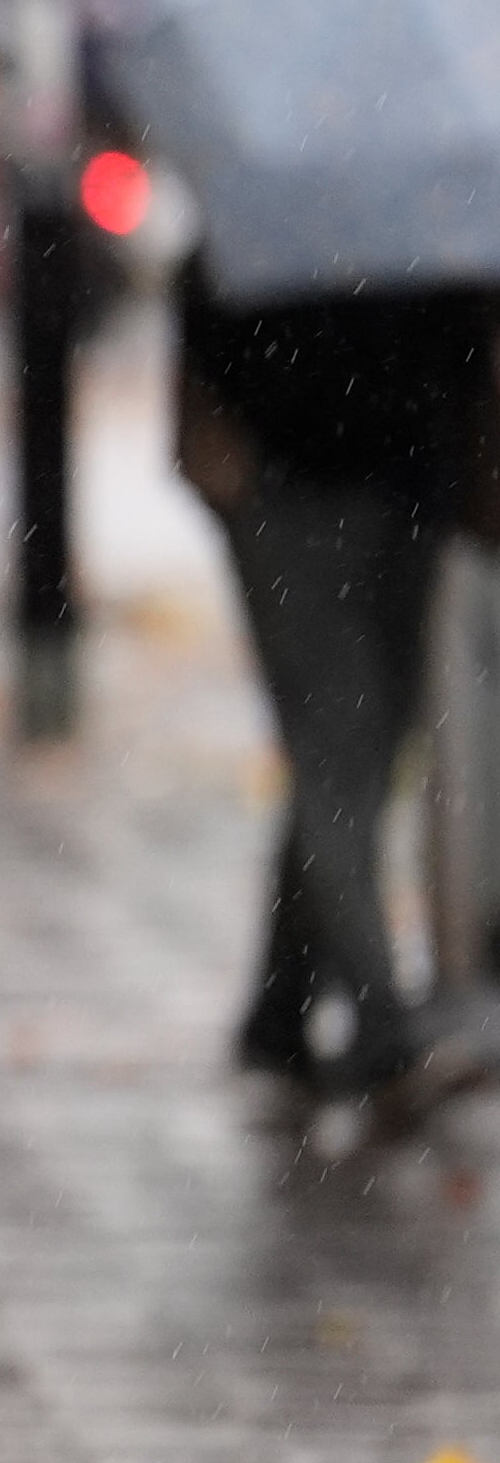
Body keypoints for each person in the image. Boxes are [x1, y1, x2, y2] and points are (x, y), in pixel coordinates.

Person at [175, 266, 497, 1115]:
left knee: (358, 751)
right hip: (300, 486)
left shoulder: (405, 193)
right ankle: (384, 1033)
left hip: (404, 486)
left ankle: (279, 1016)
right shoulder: (304, 187)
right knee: (338, 752)